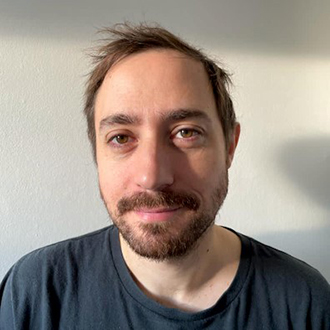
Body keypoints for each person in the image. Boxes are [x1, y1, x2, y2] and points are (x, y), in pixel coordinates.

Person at [0, 22, 329, 330]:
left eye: (186, 132)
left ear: (230, 145)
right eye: (121, 137)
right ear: (96, 152)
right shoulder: (36, 290)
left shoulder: (304, 301)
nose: (152, 176)